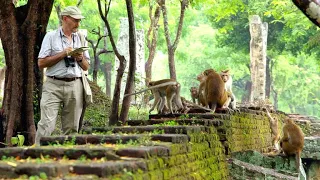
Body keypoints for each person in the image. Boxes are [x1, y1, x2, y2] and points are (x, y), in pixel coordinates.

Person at [35, 6, 90, 145]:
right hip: (53, 84)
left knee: (72, 127)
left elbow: (86, 66)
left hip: (75, 84)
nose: (78, 24)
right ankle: (37, 154)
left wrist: (79, 58)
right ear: (65, 19)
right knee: (46, 124)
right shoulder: (51, 36)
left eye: (79, 21)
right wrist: (63, 54)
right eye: (75, 20)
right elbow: (41, 63)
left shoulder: (81, 38)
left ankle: (68, 159)